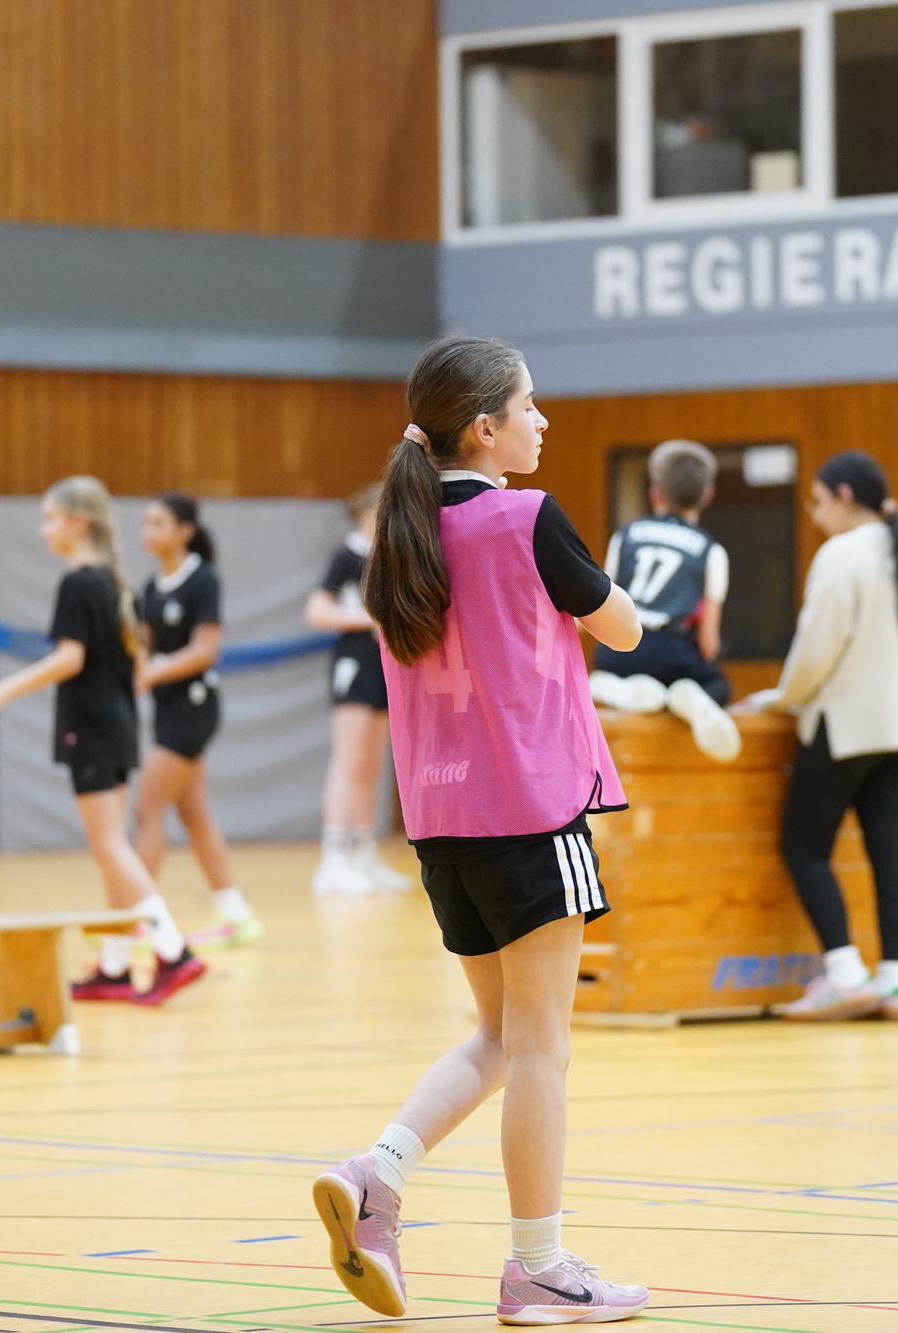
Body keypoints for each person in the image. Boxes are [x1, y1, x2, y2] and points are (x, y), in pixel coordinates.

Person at [310, 336, 650, 1325]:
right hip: (530, 810)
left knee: (500, 1036)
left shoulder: (397, 538)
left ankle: (376, 1173)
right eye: (530, 405)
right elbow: (624, 627)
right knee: (540, 1045)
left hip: (441, 824)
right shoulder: (525, 517)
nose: (543, 420)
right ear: (485, 427)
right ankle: (538, 1267)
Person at [0, 477, 204, 1007]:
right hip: (119, 724)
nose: (43, 529)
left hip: (92, 727)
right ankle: (115, 968)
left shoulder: (77, 584)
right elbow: (136, 667)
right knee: (111, 848)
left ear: (79, 522)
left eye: (50, 518)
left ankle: (172, 950)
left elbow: (69, 659)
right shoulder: (118, 585)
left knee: (109, 846)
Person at [747, 450, 898, 1022]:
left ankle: (844, 973)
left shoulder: (842, 555)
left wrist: (782, 697)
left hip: (847, 727)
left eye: (817, 502)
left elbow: (816, 650)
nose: (815, 516)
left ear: (844, 495)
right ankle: (894, 982)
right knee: (889, 851)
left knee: (805, 846)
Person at [134, 492, 264, 947]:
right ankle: (237, 913)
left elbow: (206, 649)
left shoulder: (202, 581)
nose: (149, 533)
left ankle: (136, 919)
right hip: (167, 709)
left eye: (159, 524)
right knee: (195, 817)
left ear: (185, 531)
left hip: (193, 709)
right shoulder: (150, 588)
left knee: (147, 808)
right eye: (146, 524)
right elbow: (143, 649)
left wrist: (153, 672)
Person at [588, 439, 740, 762]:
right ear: (708, 495)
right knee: (718, 685)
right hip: (671, 656)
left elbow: (604, 602)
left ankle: (611, 687)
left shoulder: (625, 536)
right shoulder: (710, 550)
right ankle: (685, 695)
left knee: (612, 670)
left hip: (616, 653)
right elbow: (708, 642)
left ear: (654, 493)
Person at [306, 484, 410, 896]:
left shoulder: (391, 559)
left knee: (371, 763)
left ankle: (363, 854)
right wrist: (369, 618)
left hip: (386, 666)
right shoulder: (347, 556)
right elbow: (316, 612)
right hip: (353, 663)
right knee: (348, 759)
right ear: (368, 512)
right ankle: (333, 857)